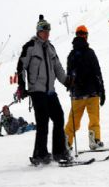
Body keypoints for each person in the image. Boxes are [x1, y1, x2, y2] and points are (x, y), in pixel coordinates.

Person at [16, 14, 71, 164]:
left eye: (48, 31)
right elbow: (21, 66)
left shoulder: (51, 48)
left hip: (50, 91)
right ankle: (40, 154)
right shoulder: (30, 47)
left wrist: (67, 81)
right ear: (38, 31)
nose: (47, 34)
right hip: (37, 90)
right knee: (43, 121)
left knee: (59, 117)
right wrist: (22, 86)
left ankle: (59, 152)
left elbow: (58, 68)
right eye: (44, 31)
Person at [64, 25, 106, 150]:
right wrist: (102, 90)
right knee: (94, 118)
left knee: (73, 120)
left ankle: (66, 143)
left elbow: (69, 76)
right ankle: (94, 141)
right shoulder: (90, 53)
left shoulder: (71, 55)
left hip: (77, 94)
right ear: (86, 36)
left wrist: (71, 88)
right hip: (92, 92)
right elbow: (97, 73)